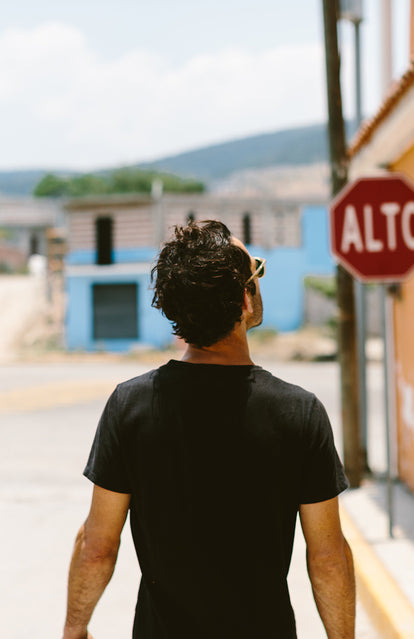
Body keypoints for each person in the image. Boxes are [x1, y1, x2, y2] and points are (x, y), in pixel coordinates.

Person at [62, 220, 355, 639]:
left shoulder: (131, 405)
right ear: (244, 299)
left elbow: (97, 546)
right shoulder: (299, 412)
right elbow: (327, 556)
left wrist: (75, 628)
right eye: (258, 272)